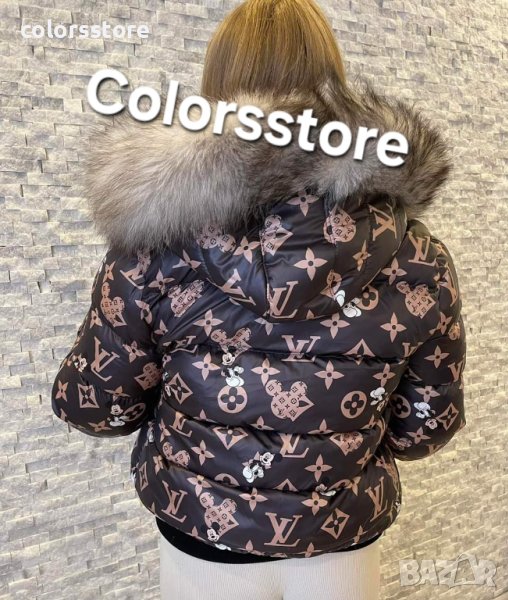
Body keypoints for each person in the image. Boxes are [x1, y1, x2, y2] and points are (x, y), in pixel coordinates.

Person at [51, 0, 467, 598]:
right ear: (333, 93)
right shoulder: (418, 257)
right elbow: (424, 429)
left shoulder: (153, 246)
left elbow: (96, 407)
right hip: (341, 542)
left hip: (204, 540)